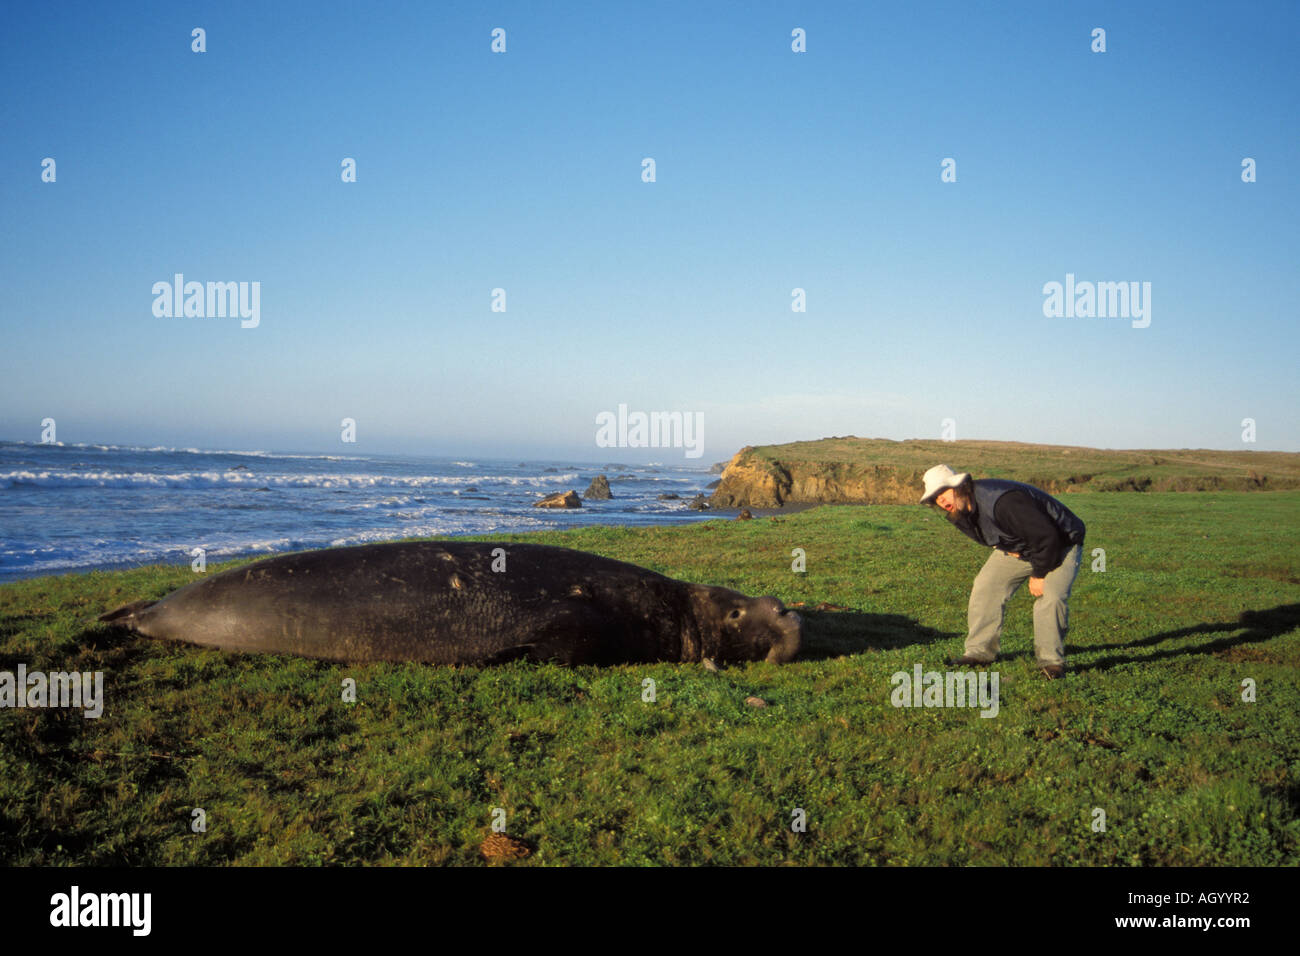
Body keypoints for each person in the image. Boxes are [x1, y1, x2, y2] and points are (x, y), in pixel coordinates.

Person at [920, 464, 1085, 679]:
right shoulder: (959, 511)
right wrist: (1007, 548)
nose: (940, 500)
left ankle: (1051, 663)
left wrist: (1039, 574)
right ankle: (978, 653)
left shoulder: (1003, 502)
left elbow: (1046, 536)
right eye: (935, 498)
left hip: (1059, 543)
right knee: (986, 585)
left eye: (943, 492)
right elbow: (988, 534)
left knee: (1051, 597)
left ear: (960, 486)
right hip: (1020, 546)